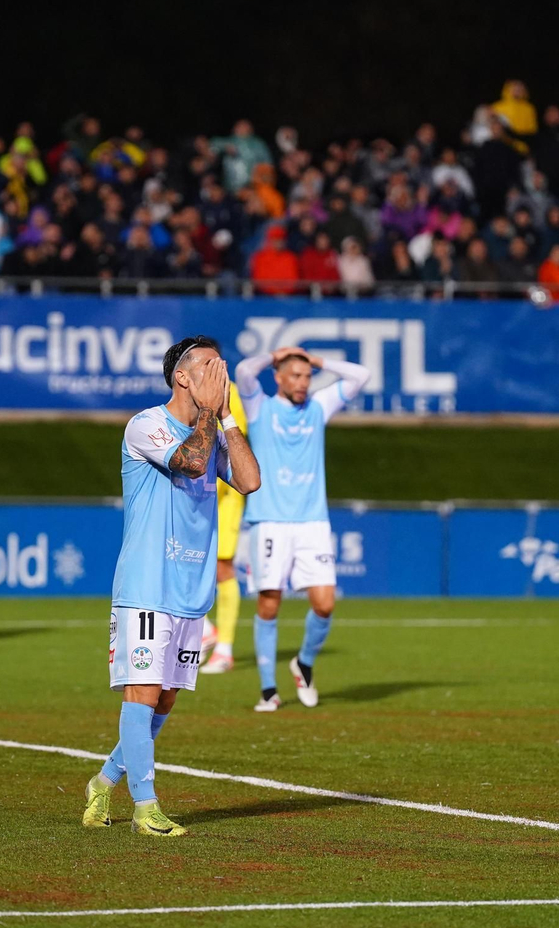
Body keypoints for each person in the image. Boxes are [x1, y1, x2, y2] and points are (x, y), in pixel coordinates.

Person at [83, 337, 260, 836]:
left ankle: (102, 782)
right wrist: (209, 414)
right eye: (209, 365)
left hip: (190, 587)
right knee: (141, 694)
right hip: (146, 583)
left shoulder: (215, 428)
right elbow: (190, 461)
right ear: (182, 376)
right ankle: (146, 807)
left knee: (164, 700)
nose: (220, 371)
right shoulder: (146, 425)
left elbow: (248, 481)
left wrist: (226, 418)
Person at [235, 346, 370, 710]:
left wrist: (319, 361)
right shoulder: (260, 407)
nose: (303, 383)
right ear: (278, 377)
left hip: (312, 522)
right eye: (295, 375)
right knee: (269, 603)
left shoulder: (318, 407)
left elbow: (361, 376)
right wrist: (275, 354)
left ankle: (304, 663)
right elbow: (245, 371)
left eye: (307, 377)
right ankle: (268, 690)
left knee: (325, 604)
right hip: (270, 522)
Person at [201, 371, 249, 674]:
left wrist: (206, 491)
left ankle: (225, 649)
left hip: (223, 499)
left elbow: (229, 447)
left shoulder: (227, 392)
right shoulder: (196, 392)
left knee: (222, 568)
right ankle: (205, 630)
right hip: (201, 496)